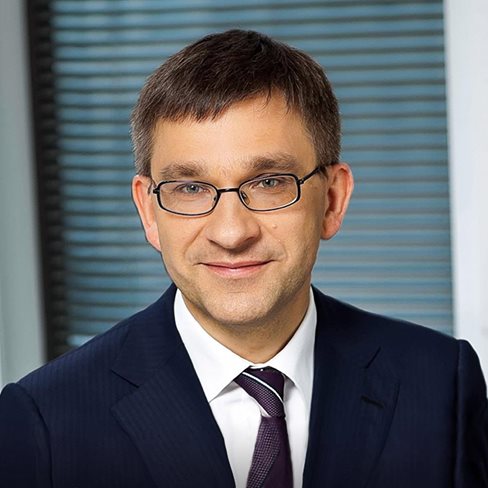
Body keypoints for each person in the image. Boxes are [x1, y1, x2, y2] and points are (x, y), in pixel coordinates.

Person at [0, 29, 487, 488]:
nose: (231, 233)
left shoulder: (441, 381)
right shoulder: (45, 420)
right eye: (190, 188)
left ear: (333, 200)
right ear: (149, 212)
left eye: (270, 182)